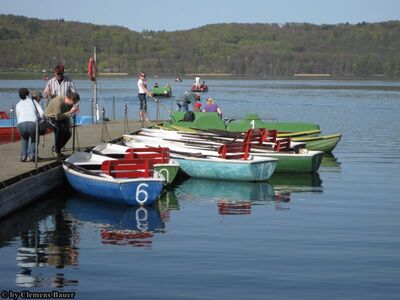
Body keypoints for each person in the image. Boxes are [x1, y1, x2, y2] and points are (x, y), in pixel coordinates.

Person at [45, 91, 80, 158]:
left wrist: (68, 126)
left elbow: (66, 115)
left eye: (76, 102)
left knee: (68, 133)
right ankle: (56, 151)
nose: (74, 104)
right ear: (70, 99)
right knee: (59, 130)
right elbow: (57, 117)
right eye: (74, 102)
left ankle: (57, 149)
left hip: (61, 118)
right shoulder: (58, 102)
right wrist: (71, 111)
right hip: (50, 118)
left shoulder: (70, 103)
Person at [15, 88, 44, 162]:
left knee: (24, 138)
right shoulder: (33, 101)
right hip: (32, 123)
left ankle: (23, 156)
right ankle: (32, 155)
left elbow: (18, 117)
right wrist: (40, 120)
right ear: (28, 94)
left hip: (20, 125)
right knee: (34, 139)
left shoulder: (18, 104)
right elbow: (41, 113)